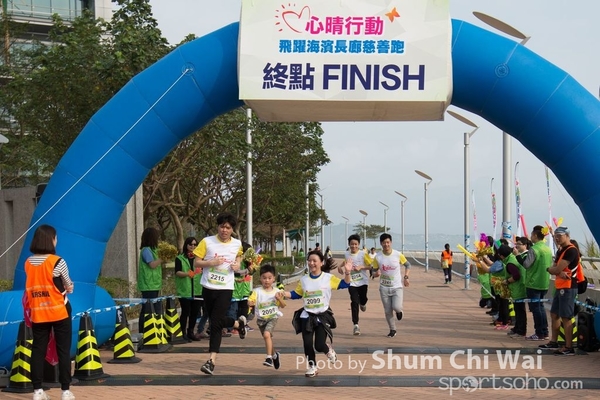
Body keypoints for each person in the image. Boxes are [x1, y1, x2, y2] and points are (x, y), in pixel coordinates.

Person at [281, 250, 352, 377]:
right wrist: (284, 294)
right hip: (307, 316)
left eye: (314, 261)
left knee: (319, 345)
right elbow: (297, 294)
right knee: (307, 344)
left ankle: (328, 350)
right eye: (309, 260)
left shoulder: (328, 278)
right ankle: (312, 366)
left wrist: (347, 272)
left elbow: (345, 284)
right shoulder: (304, 280)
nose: (311, 263)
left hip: (322, 316)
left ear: (321, 263)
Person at [24, 224, 76, 400]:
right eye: (55, 237)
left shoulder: (28, 263)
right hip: (59, 311)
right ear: (51, 240)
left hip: (38, 312)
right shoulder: (58, 262)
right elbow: (67, 284)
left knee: (38, 350)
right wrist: (70, 287)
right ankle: (65, 391)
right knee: (63, 350)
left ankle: (37, 391)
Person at [193, 212, 247, 374]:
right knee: (215, 320)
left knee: (215, 323)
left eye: (228, 228)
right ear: (218, 227)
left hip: (225, 289)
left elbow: (239, 258)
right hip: (208, 288)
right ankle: (237, 324)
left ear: (232, 229)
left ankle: (211, 361)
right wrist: (211, 262)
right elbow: (196, 262)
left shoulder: (237, 244)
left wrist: (237, 266)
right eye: (222, 227)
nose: (224, 230)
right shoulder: (207, 242)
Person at [540, 226, 580, 355]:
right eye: (555, 236)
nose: (557, 238)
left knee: (566, 316)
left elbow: (555, 269)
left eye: (560, 236)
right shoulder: (561, 250)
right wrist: (555, 270)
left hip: (568, 287)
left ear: (567, 236)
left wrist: (551, 270)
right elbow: (556, 268)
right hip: (560, 286)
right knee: (554, 314)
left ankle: (569, 347)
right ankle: (554, 341)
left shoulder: (571, 250)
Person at [371, 233, 410, 338]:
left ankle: (399, 311)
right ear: (381, 243)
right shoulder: (378, 257)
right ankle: (392, 329)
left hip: (396, 287)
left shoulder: (397, 254)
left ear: (391, 243)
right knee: (388, 311)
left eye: (388, 242)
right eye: (384, 243)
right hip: (384, 288)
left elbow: (408, 265)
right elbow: (373, 271)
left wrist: (406, 277)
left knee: (396, 307)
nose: (386, 244)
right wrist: (375, 274)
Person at [247, 264, 286, 369]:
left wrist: (279, 299)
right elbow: (250, 301)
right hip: (261, 320)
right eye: (264, 278)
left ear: (274, 279)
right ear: (260, 279)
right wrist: (250, 303)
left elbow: (283, 305)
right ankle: (275, 355)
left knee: (266, 335)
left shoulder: (277, 291)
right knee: (267, 338)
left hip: (272, 318)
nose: (267, 280)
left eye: (269, 278)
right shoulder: (257, 291)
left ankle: (269, 358)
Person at [520, 227, 551, 341]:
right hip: (544, 282)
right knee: (541, 307)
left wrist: (518, 256)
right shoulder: (547, 249)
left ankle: (539, 333)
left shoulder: (534, 249)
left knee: (536, 309)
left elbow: (526, 265)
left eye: (532, 235)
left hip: (533, 283)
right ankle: (545, 332)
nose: (531, 237)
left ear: (536, 236)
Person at [338, 234, 371, 336]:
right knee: (354, 301)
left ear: (359, 244)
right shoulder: (347, 254)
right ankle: (355, 325)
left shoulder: (363, 254)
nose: (354, 246)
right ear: (349, 244)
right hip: (351, 282)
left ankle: (363, 303)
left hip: (363, 282)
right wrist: (340, 266)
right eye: (352, 244)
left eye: (356, 244)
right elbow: (345, 261)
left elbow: (371, 266)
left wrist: (361, 267)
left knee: (363, 299)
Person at [174, 237, 202, 342]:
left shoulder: (199, 258)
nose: (193, 246)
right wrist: (187, 274)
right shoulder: (180, 258)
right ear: (186, 245)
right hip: (185, 290)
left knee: (195, 313)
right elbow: (177, 272)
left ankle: (191, 332)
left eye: (195, 244)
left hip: (197, 290)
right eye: (190, 244)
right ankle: (183, 333)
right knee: (185, 312)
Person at [497, 244, 527, 338]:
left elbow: (516, 276)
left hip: (518, 288)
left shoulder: (510, 263)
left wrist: (506, 281)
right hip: (518, 288)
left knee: (520, 311)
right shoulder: (512, 258)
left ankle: (521, 331)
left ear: (502, 256)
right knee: (517, 310)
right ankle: (517, 328)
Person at [227, 241, 255, 335]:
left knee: (243, 309)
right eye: (248, 252)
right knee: (233, 310)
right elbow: (236, 272)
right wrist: (247, 271)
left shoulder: (248, 262)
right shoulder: (235, 260)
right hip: (235, 290)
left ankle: (243, 325)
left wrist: (252, 268)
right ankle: (231, 327)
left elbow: (251, 272)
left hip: (244, 290)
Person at [137, 227, 163, 329]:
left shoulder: (154, 250)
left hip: (154, 284)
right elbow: (152, 265)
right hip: (148, 284)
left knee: (152, 309)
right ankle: (143, 330)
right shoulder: (146, 250)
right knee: (147, 309)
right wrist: (163, 258)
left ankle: (151, 330)